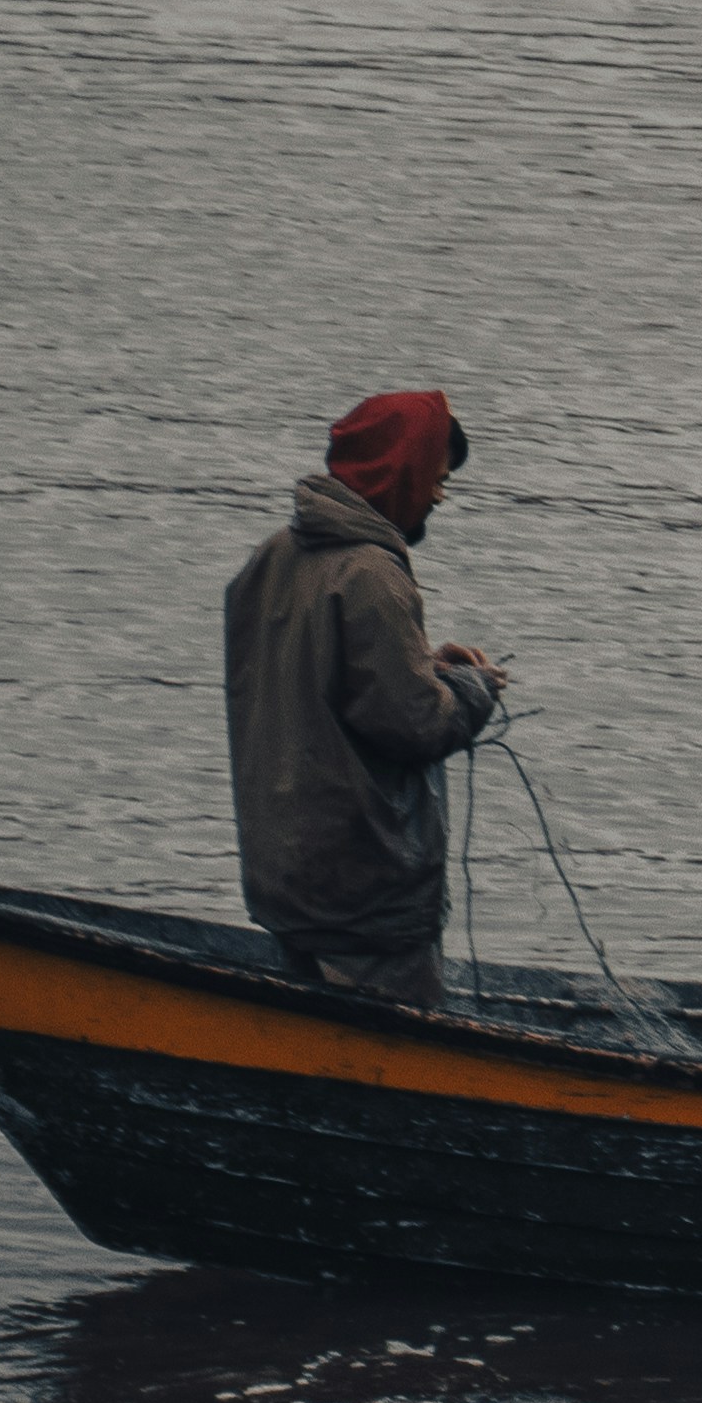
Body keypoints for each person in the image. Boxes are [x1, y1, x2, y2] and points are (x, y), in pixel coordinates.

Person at [226, 389, 505, 1011]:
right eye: (436, 480)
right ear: (400, 473)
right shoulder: (372, 575)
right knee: (403, 1058)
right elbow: (415, 724)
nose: (438, 497)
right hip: (365, 892)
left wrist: (424, 666)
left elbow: (317, 682)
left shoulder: (273, 557)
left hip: (289, 879)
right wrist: (472, 689)